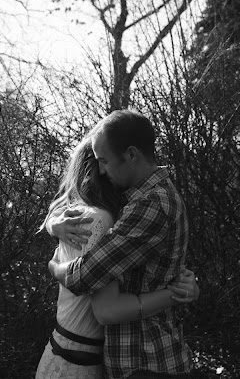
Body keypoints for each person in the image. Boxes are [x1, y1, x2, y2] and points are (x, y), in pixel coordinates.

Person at [45, 109, 197, 378]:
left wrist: (54, 267)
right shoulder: (141, 198)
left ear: (131, 155)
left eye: (104, 161)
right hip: (142, 361)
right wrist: (53, 224)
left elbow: (85, 275)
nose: (102, 171)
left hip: (148, 362)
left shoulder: (152, 204)